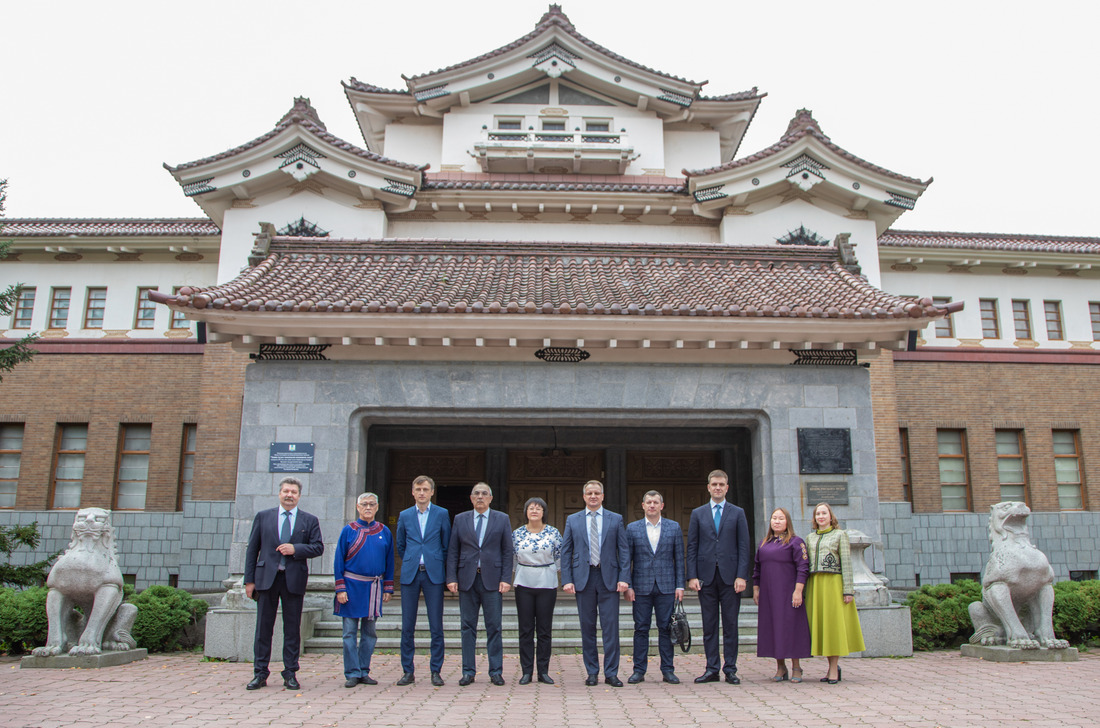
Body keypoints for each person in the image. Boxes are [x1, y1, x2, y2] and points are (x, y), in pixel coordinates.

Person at [244, 476, 324, 691]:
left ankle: (290, 673)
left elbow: (318, 547)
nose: (289, 495)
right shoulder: (263, 517)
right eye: (286, 491)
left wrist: (296, 549)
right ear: (279, 493)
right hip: (266, 580)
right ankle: (260, 673)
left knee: (292, 629)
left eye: (294, 492)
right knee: (263, 628)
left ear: (299, 496)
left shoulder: (309, 520)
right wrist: (249, 581)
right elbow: (252, 549)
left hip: (293, 580)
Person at [560, 479, 629, 687]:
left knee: (610, 628)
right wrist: (567, 579)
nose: (593, 496)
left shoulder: (615, 519)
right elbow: (566, 552)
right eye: (589, 493)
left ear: (602, 496)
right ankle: (591, 672)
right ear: (583, 496)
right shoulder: (573, 520)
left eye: (596, 493)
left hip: (608, 579)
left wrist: (624, 578)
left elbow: (623, 551)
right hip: (584, 579)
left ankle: (611, 673)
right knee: (587, 628)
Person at [686, 469, 750, 685]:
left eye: (721, 484)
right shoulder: (698, 513)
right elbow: (692, 546)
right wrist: (692, 575)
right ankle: (712, 668)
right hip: (706, 578)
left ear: (727, 487)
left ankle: (730, 668)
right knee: (709, 626)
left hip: (731, 579)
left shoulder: (738, 513)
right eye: (714, 484)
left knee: (731, 625)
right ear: (708, 487)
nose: (718, 488)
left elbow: (744, 546)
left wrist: (742, 575)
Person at [446, 482, 514, 686]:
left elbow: (507, 550)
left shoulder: (502, 519)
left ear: (491, 498)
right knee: (467, 627)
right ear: (471, 497)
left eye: (484, 494)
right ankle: (468, 671)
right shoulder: (460, 519)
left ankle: (496, 671)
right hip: (467, 579)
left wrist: (505, 578)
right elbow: (453, 551)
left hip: (492, 581)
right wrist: (451, 578)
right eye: (476, 494)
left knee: (494, 626)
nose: (480, 497)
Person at [394, 475, 451, 686]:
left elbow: (446, 544)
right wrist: (411, 558)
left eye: (425, 489)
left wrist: (435, 560)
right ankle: (407, 671)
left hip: (433, 574)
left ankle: (436, 671)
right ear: (412, 492)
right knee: (408, 626)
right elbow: (401, 543)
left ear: (432, 492)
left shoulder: (442, 514)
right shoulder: (405, 515)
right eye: (418, 489)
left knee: (436, 625)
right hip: (410, 574)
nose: (421, 493)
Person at [333, 492, 394, 688]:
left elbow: (390, 561)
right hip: (350, 588)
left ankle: (364, 670)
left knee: (370, 633)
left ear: (377, 508)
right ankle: (352, 672)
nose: (368, 508)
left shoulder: (384, 531)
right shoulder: (348, 531)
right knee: (349, 633)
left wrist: (388, 587)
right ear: (358, 507)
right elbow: (338, 561)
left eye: (372, 504)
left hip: (373, 589)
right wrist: (340, 587)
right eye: (364, 504)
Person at [624, 490, 685, 684]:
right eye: (648, 502)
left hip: (667, 587)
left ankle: (668, 669)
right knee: (640, 629)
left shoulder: (673, 527)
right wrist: (629, 586)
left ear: (662, 505)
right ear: (642, 505)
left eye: (655, 502)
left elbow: (679, 559)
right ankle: (639, 670)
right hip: (641, 587)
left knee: (666, 629)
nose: (652, 505)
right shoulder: (632, 529)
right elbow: (627, 560)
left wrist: (680, 586)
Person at [805, 502, 865, 684]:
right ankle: (830, 665)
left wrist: (848, 590)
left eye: (824, 513)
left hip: (833, 584)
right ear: (814, 518)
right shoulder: (809, 538)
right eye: (818, 514)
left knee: (833, 627)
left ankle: (833, 669)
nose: (821, 517)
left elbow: (847, 563)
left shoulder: (840, 535)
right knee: (822, 627)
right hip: (815, 584)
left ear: (831, 516)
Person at [752, 507, 810, 683]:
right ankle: (780, 666)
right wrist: (756, 589)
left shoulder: (796, 542)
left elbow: (803, 568)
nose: (776, 521)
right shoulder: (764, 543)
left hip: (788, 593)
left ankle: (796, 667)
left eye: (780, 518)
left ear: (787, 522)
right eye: (774, 518)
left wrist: (798, 591)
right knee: (773, 628)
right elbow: (757, 569)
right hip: (769, 594)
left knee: (791, 629)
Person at [512, 496, 562, 685]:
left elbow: (559, 555)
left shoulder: (553, 532)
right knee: (525, 629)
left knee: (544, 629)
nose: (534, 511)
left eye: (538, 508)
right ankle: (526, 671)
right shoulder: (517, 533)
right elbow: (513, 557)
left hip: (546, 583)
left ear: (543, 512)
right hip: (524, 583)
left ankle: (543, 671)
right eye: (531, 508)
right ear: (525, 511)